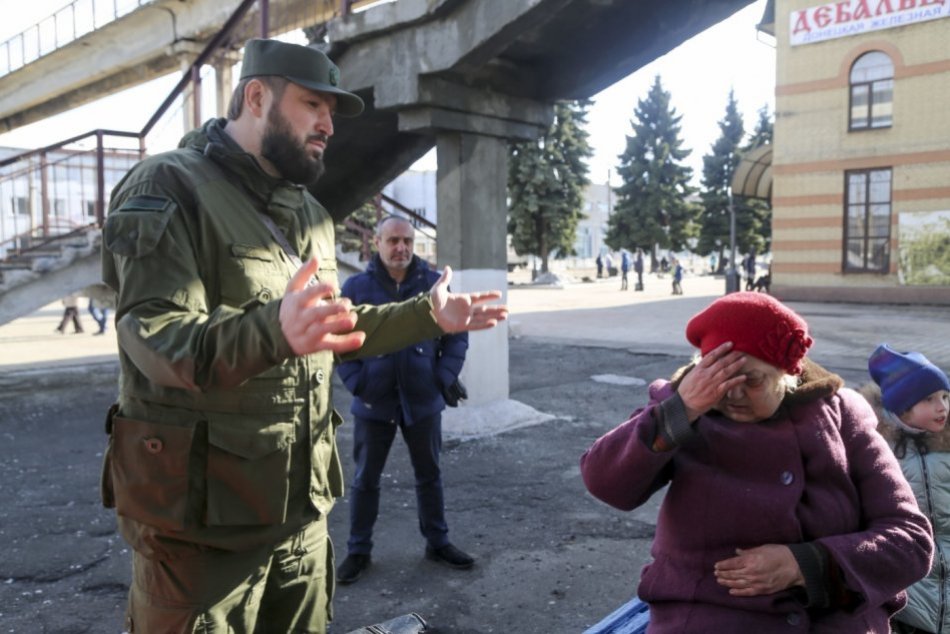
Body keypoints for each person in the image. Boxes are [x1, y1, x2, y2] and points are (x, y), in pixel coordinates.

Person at [98, 38, 507, 634]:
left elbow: (336, 324)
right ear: (256, 96)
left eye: (333, 113)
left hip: (300, 517)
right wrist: (274, 329)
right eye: (314, 105)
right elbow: (155, 336)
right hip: (202, 533)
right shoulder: (168, 185)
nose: (328, 126)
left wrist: (429, 317)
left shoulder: (310, 213)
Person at [580, 292, 933, 633]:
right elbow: (606, 483)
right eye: (718, 377)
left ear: (788, 372)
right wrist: (680, 410)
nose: (732, 394)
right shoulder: (686, 408)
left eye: (751, 380)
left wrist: (806, 565)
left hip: (836, 619)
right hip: (706, 618)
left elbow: (911, 541)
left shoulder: (842, 414)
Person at [335, 215, 472, 585]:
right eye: (393, 240)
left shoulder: (432, 284)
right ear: (376, 242)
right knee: (365, 479)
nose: (402, 248)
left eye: (407, 241)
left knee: (430, 475)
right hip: (372, 403)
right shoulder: (357, 287)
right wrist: (358, 383)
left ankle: (437, 542)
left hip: (422, 401)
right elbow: (338, 344)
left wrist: (441, 378)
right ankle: (358, 550)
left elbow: (457, 336)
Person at [861, 344, 950, 634]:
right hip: (908, 586)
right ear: (902, 407)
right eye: (929, 399)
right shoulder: (877, 447)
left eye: (946, 397)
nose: (943, 407)